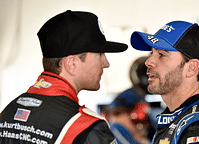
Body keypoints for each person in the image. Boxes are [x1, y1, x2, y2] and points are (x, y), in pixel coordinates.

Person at [0, 10, 127, 144]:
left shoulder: (7, 113)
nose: (106, 63)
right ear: (71, 64)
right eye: (100, 55)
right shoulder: (88, 128)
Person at [130, 21, 199, 144]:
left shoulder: (197, 128)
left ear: (191, 68)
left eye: (161, 55)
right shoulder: (179, 118)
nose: (148, 61)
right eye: (152, 53)